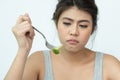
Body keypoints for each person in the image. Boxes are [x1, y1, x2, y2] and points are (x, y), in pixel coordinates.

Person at [4, 0, 120, 80]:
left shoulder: (108, 64)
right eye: (67, 23)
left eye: (83, 25)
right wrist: (23, 50)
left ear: (93, 29)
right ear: (56, 23)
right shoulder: (38, 61)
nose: (74, 31)